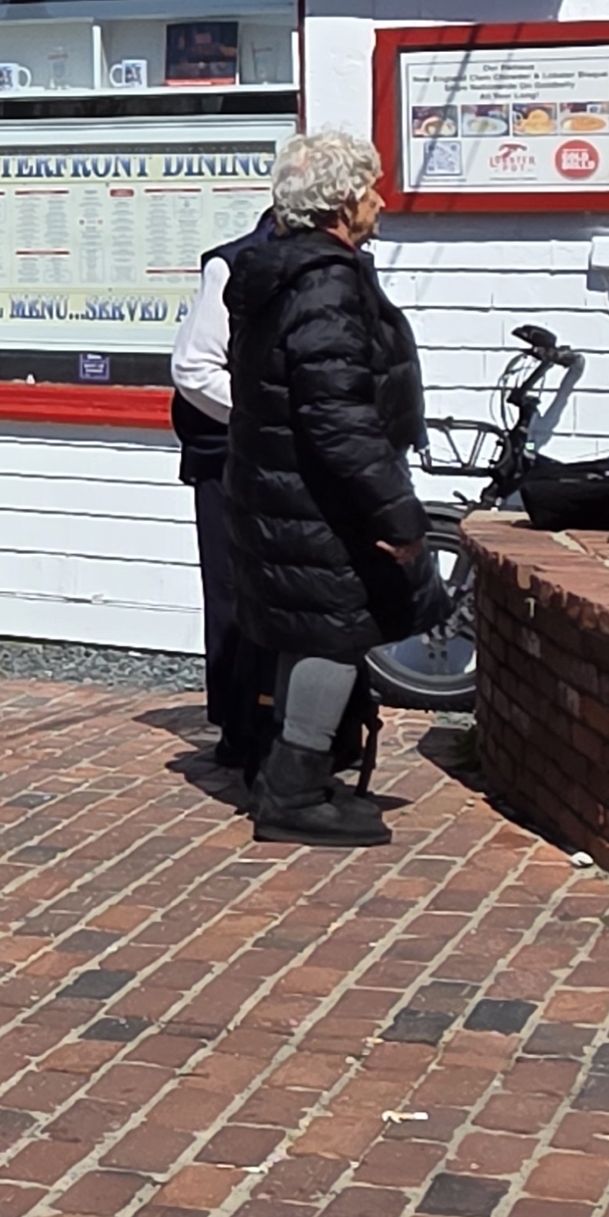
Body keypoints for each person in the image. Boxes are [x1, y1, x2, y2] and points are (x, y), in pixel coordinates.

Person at [220, 128, 432, 848]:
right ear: (343, 203)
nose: (379, 201)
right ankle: (293, 790)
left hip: (286, 490)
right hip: (318, 500)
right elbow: (337, 416)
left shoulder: (278, 270)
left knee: (312, 629)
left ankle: (296, 772)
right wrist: (398, 512)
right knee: (332, 634)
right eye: (370, 189)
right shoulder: (325, 282)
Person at [170, 191, 287, 778]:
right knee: (234, 595)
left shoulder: (329, 264)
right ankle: (239, 728)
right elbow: (193, 368)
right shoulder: (233, 263)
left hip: (284, 457)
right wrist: (265, 415)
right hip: (228, 455)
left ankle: (282, 724)